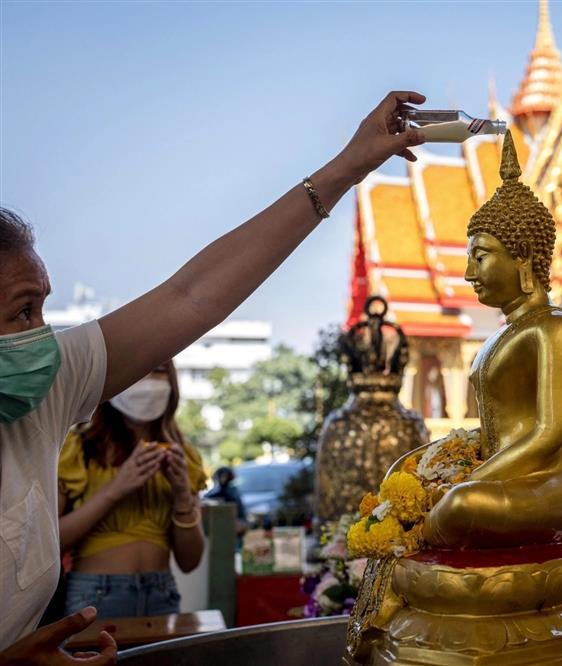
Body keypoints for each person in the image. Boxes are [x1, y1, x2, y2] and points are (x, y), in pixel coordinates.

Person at [0, 90, 425, 665]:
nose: (42, 337)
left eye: (44, 309)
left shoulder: (43, 393)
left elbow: (192, 296)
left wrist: (347, 168)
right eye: (23, 312)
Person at [57, 360, 207, 618]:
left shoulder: (184, 455)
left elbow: (190, 562)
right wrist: (115, 489)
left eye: (158, 370)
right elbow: (50, 542)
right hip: (95, 594)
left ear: (172, 382)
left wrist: (183, 497)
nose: (146, 380)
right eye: (137, 369)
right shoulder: (80, 447)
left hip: (162, 594)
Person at [204, 466, 247, 535]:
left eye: (224, 476)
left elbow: (209, 496)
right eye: (221, 476)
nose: (223, 479)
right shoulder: (232, 490)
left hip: (236, 523)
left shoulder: (229, 491)